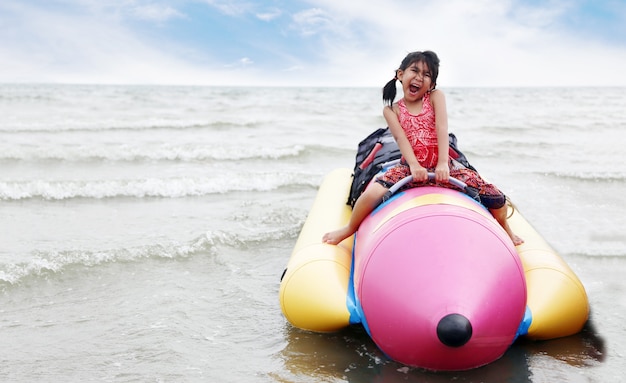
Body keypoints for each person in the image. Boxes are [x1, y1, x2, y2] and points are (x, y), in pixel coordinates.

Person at [322, 51, 523, 246]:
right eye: (415, 71)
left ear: (432, 84)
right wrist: (414, 166)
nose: (419, 77)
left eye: (427, 75)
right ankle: (349, 228)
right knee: (370, 194)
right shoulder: (391, 110)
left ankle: (505, 227)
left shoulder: (436, 97)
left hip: (445, 167)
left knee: (496, 197)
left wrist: (443, 163)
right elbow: (401, 139)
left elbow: (442, 128)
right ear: (401, 74)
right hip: (408, 167)